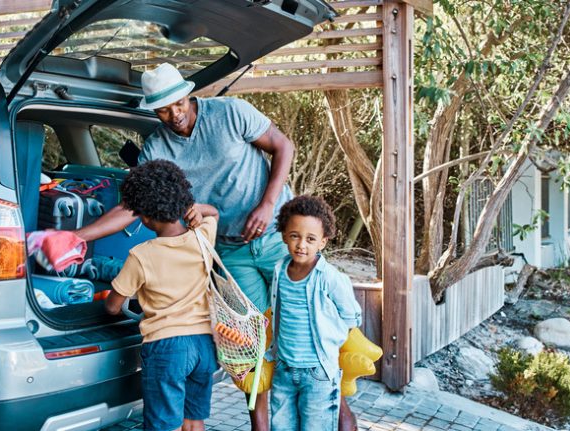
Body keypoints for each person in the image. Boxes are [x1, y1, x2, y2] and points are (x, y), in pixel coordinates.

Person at [76, 63, 358, 430]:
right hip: (229, 251)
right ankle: (259, 424)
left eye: (178, 103)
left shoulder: (231, 113)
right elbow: (132, 205)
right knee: (250, 341)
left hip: (278, 238)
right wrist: (78, 236)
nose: (174, 115)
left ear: (188, 94)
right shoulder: (157, 147)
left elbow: (282, 146)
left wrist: (268, 205)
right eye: (163, 109)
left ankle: (341, 414)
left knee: (309, 323)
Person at [104, 160, 220, 431]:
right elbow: (213, 213)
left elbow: (112, 306)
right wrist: (196, 210)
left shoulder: (141, 255)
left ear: (144, 216)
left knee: (164, 425)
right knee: (193, 421)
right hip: (204, 344)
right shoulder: (203, 236)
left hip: (167, 348)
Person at [266, 196, 362, 430]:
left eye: (310, 239)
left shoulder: (329, 277)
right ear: (283, 235)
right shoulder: (279, 270)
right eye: (295, 236)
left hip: (318, 373)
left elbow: (352, 316)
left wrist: (332, 337)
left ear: (323, 242)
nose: (302, 245)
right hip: (284, 368)